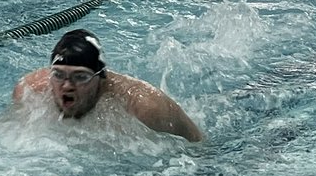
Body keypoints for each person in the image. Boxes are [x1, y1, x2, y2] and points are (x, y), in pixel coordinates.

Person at [12, 29, 203, 141]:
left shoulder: (145, 106)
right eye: (59, 75)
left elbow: (198, 147)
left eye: (80, 77)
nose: (67, 85)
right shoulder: (29, 91)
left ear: (101, 77)